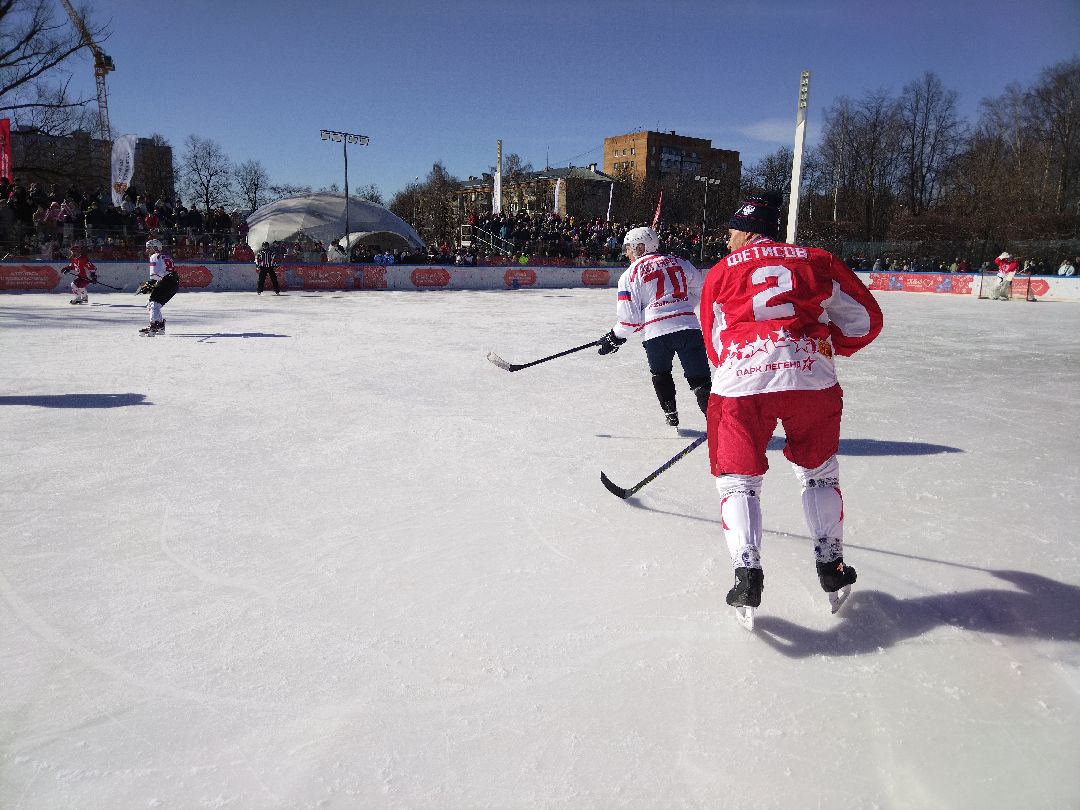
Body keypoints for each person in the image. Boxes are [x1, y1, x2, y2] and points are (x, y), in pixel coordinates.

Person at [698, 191, 883, 618]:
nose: (728, 243)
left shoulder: (721, 271)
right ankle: (831, 565)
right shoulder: (817, 259)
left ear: (744, 232)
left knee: (738, 480)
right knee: (818, 472)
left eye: (730, 234)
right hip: (811, 380)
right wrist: (820, 344)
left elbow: (713, 340)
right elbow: (865, 319)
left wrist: (743, 370)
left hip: (741, 385)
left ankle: (747, 575)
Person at [597, 225, 711, 427]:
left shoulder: (630, 275)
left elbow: (629, 320)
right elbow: (702, 288)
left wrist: (614, 337)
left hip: (656, 335)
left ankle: (671, 415)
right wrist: (681, 306)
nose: (628, 253)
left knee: (661, 374)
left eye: (630, 248)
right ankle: (717, 422)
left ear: (641, 247)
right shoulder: (680, 263)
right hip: (688, 328)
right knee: (701, 380)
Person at [136, 238, 179, 335]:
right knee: (155, 304)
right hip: (174, 282)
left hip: (167, 281)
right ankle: (160, 325)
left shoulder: (155, 256)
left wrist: (147, 284)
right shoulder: (166, 256)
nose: (147, 251)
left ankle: (153, 325)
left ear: (155, 248)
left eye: (149, 248)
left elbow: (155, 276)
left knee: (153, 303)